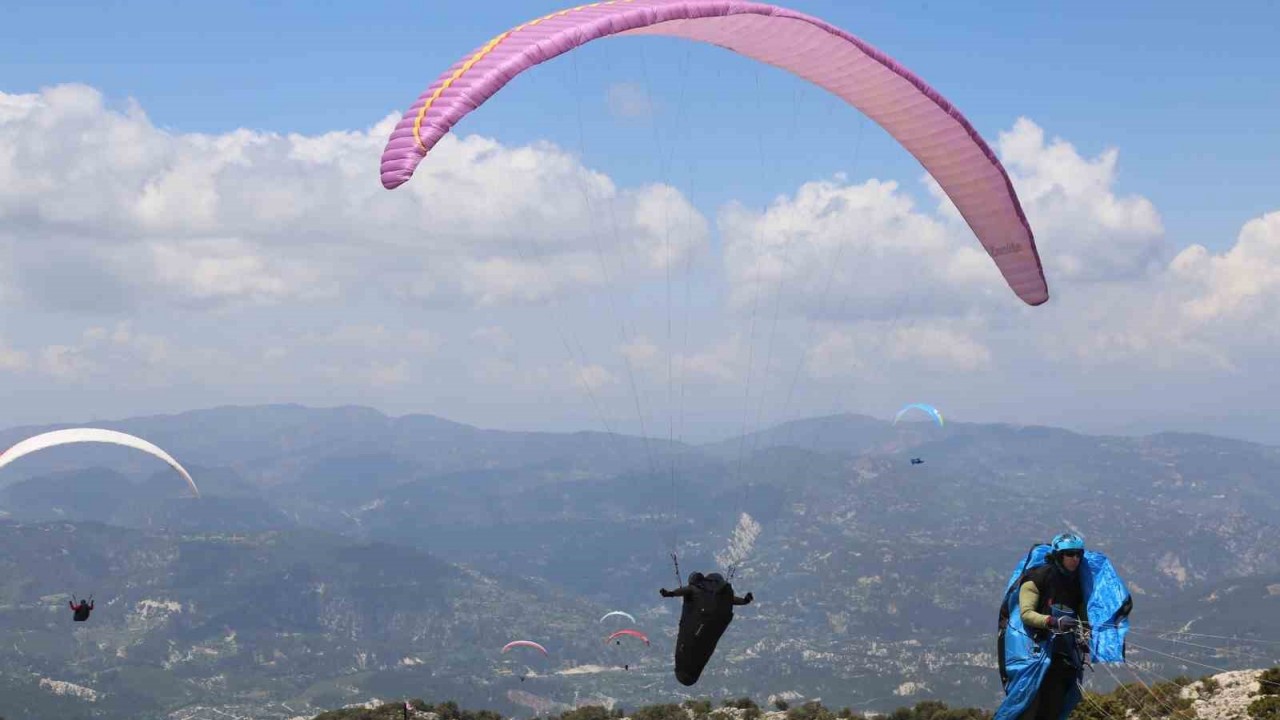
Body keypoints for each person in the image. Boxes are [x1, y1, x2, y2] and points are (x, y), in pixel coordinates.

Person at [1015, 533, 1090, 720]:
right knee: (1042, 706)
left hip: (1066, 655)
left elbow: (1084, 619)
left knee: (1059, 704)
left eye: (1078, 554)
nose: (1075, 559)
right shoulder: (1036, 579)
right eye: (1070, 554)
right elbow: (1026, 614)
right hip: (1039, 654)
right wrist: (1052, 621)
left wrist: (1085, 639)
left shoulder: (1077, 583)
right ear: (1058, 555)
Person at [659, 571, 753, 686]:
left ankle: (687, 672)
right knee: (703, 647)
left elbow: (683, 591)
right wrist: (745, 601)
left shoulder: (695, 589)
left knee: (693, 647)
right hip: (715, 625)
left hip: (699, 626)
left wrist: (669, 593)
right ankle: (689, 672)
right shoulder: (718, 594)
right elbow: (732, 600)